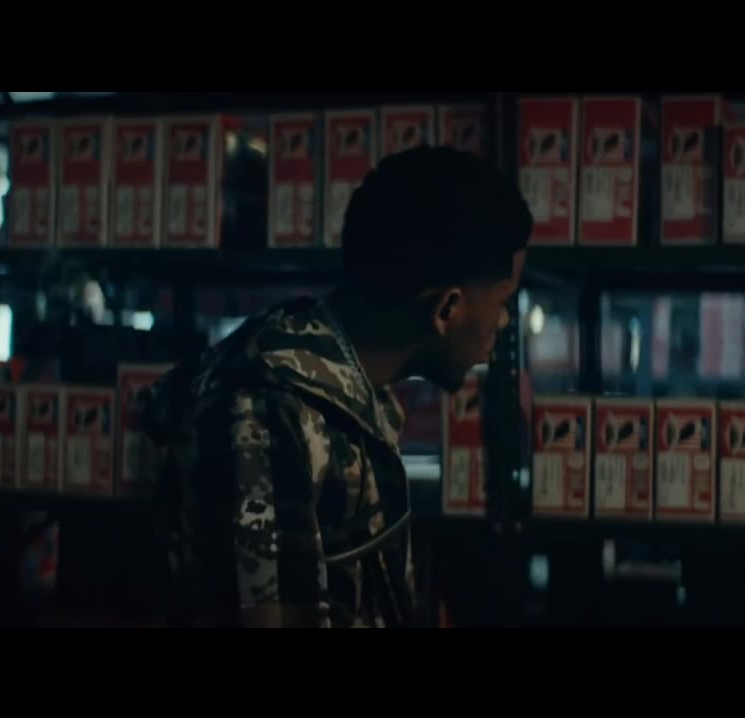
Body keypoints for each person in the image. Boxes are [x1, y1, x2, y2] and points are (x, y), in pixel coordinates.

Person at [142, 145, 531, 628]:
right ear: (446, 309)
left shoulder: (353, 392)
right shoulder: (265, 413)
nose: (504, 320)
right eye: (503, 300)